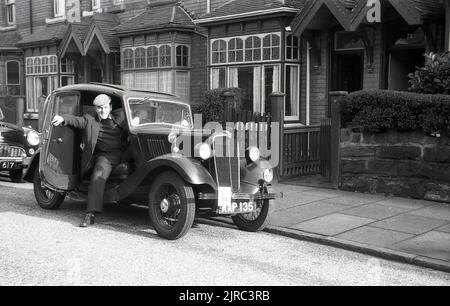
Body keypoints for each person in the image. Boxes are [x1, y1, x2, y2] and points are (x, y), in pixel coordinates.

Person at [52, 94, 127, 227]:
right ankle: (90, 213)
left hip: (124, 153)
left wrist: (138, 121)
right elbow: (76, 120)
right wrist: (62, 118)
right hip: (105, 156)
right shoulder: (90, 119)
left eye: (104, 107)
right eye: (99, 108)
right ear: (95, 109)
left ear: (110, 107)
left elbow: (136, 122)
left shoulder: (121, 116)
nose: (102, 111)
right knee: (98, 173)